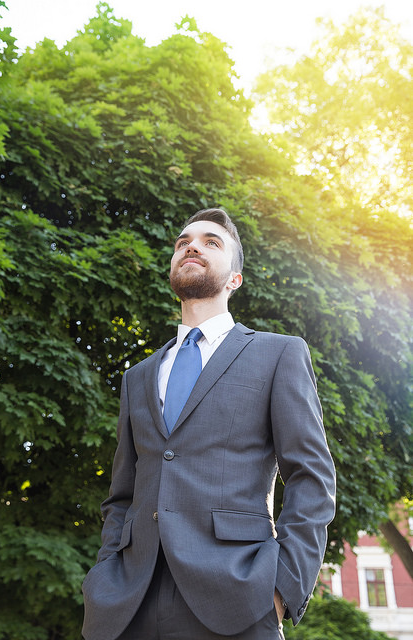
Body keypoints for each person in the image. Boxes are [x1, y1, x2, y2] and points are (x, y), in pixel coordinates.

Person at [82, 208, 336, 640]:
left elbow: (311, 477)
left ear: (234, 279)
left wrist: (281, 587)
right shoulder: (137, 377)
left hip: (237, 597)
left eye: (211, 242)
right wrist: (106, 573)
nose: (192, 246)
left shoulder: (279, 354)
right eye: (183, 242)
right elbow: (121, 494)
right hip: (126, 603)